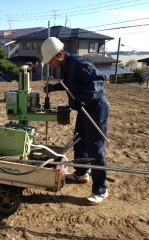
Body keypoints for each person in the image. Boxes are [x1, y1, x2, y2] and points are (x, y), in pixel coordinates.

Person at [41, 37, 110, 205]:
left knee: (95, 148)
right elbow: (69, 84)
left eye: (50, 61)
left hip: (95, 108)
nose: (50, 65)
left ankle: (101, 190)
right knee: (80, 140)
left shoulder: (78, 62)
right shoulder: (66, 65)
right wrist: (55, 87)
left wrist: (83, 99)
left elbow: (97, 81)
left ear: (59, 55)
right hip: (84, 108)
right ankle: (81, 173)